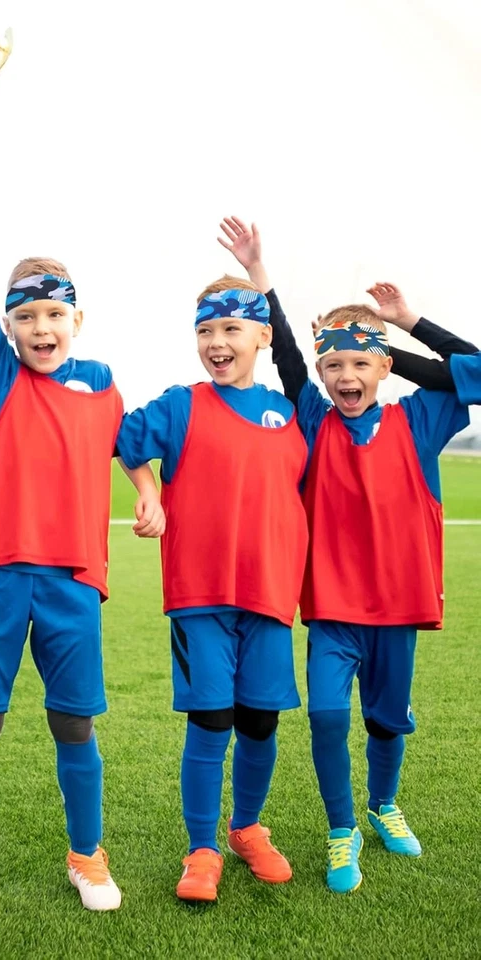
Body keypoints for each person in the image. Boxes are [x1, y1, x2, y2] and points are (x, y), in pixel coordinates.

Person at [0, 170, 164, 927]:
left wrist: (147, 489)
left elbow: (126, 444)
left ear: (77, 319)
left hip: (74, 581)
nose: (41, 328)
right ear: (9, 329)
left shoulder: (101, 382)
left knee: (74, 725)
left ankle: (87, 855)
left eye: (54, 314)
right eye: (26, 317)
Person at [223, 213, 472, 894]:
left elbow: (474, 370)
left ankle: (384, 805)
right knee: (328, 717)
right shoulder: (314, 419)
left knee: (386, 722)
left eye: (361, 363)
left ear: (383, 369)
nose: (345, 375)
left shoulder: (419, 419)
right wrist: (258, 273)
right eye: (334, 364)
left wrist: (405, 326)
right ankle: (342, 831)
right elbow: (286, 357)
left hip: (398, 609)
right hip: (333, 611)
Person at [115, 217, 311, 904]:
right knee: (212, 722)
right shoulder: (181, 405)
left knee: (260, 721)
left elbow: (297, 356)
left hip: (270, 596)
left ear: (260, 336)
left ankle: (247, 828)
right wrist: (149, 493)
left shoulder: (295, 413)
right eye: (205, 330)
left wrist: (260, 275)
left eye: (231, 328)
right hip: (199, 596)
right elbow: (126, 441)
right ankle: (201, 848)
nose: (216, 342)